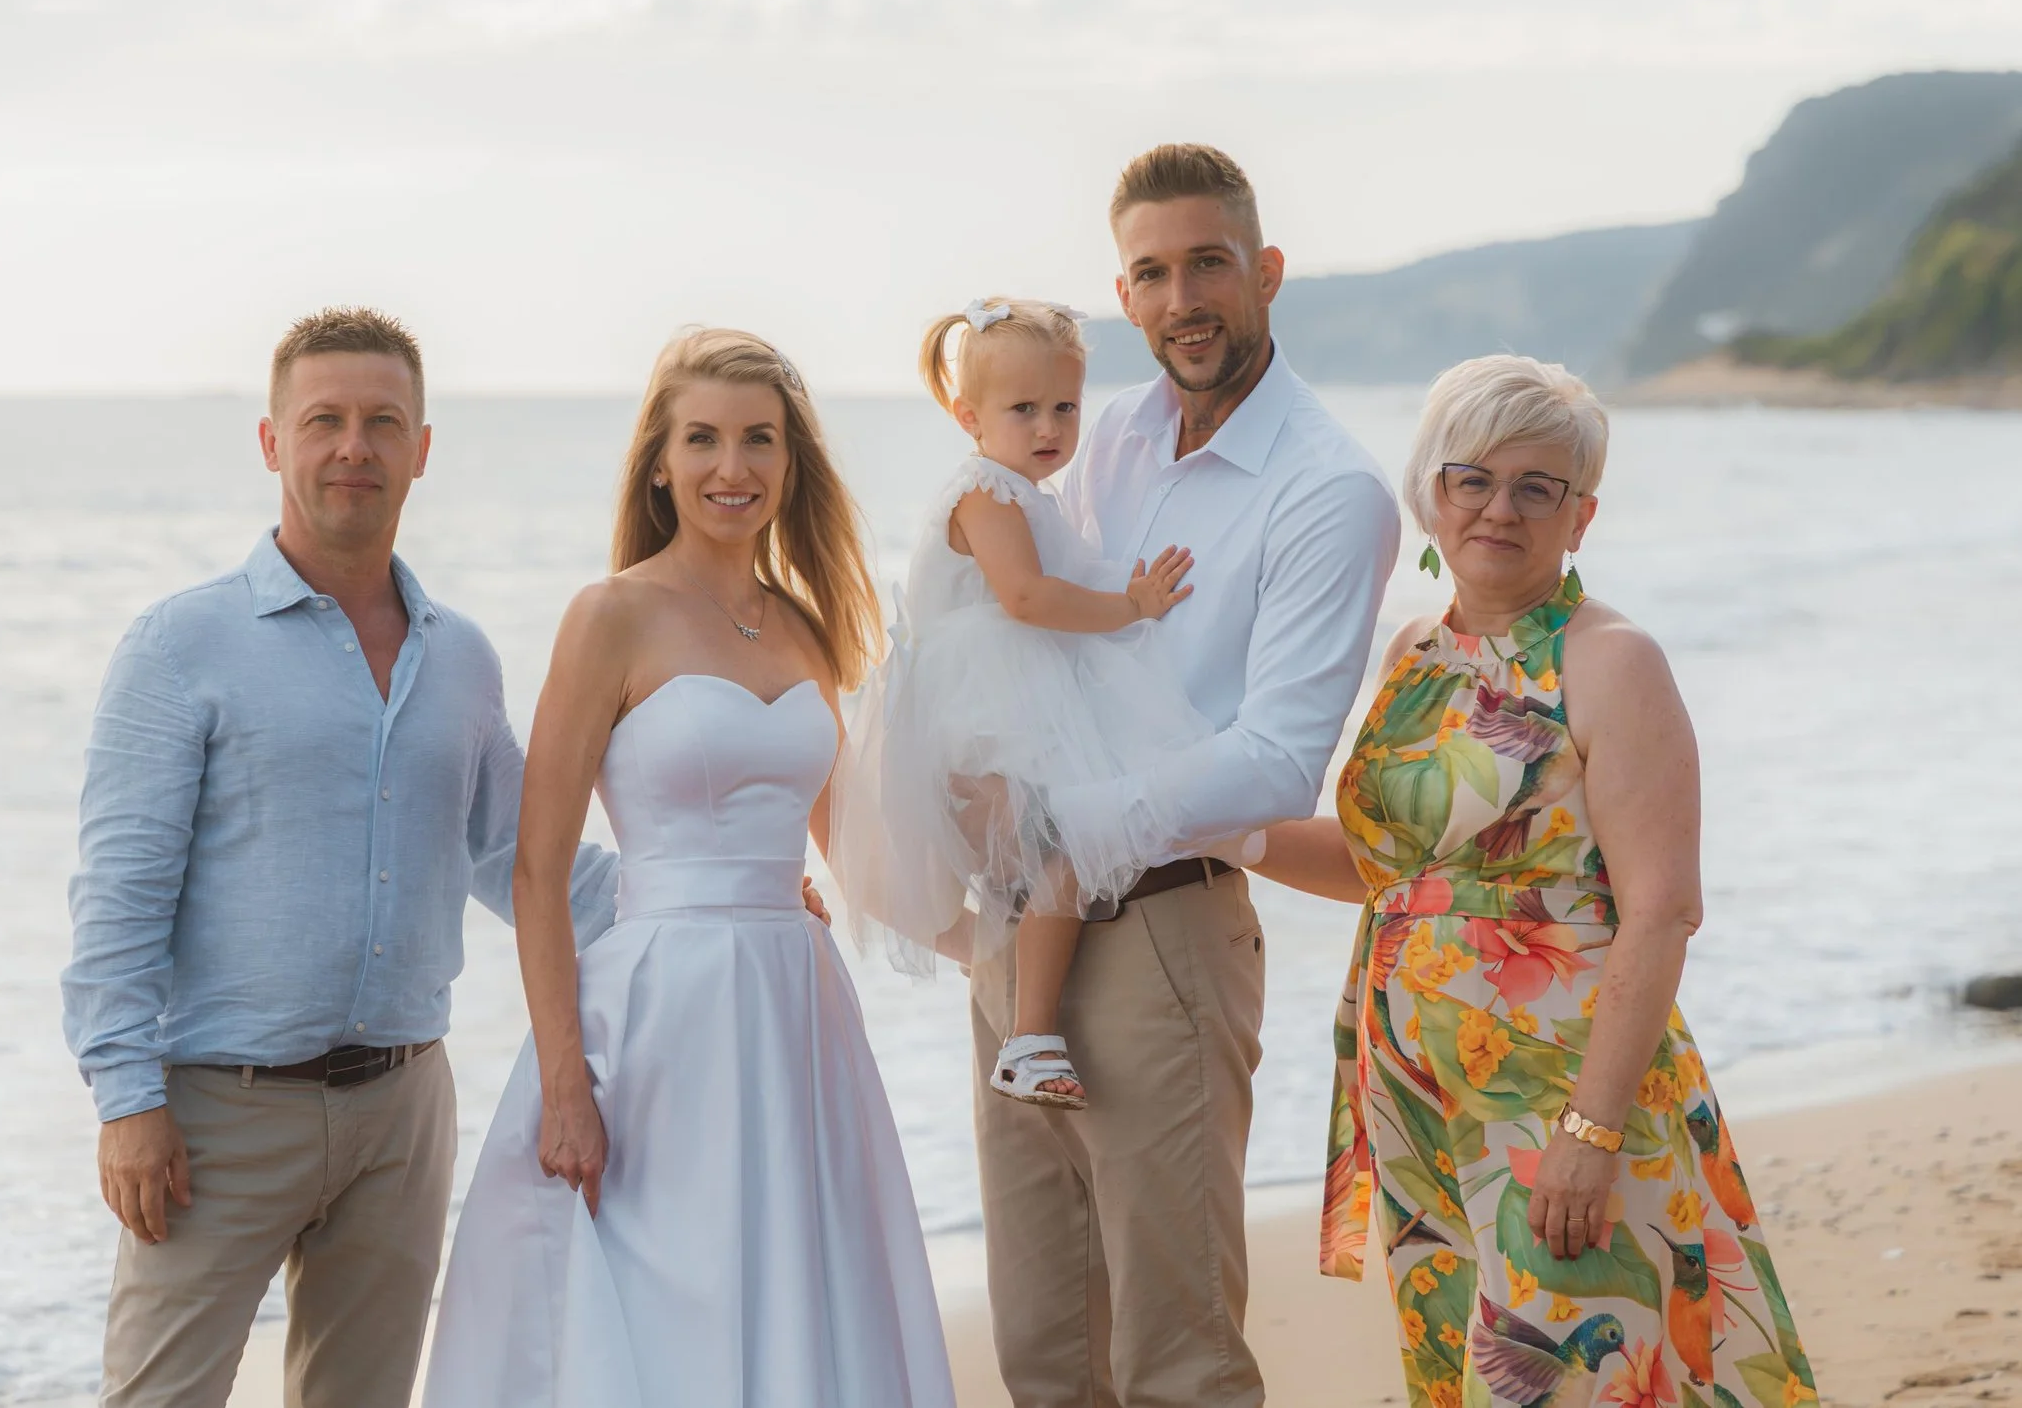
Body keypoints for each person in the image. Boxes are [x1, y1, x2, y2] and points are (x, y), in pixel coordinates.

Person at [62, 308, 632, 1408]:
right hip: (216, 1117)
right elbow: (120, 892)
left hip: (403, 1111)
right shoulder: (180, 644)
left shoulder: (458, 653)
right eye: (322, 419)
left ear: (423, 448)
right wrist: (125, 1098)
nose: (352, 447)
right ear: (272, 440)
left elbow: (518, 849)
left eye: (382, 422)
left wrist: (706, 901)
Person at [1252, 355, 1819, 1408]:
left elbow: (1663, 907)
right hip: (1416, 1095)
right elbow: (1383, 869)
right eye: (1471, 477)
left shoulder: (1611, 659)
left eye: (1535, 486)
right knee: (1472, 1376)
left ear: (1580, 515)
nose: (1496, 507)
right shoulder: (1412, 653)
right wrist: (1217, 828)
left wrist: (1589, 1132)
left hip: (1560, 1097)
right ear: (1431, 490)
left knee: (1580, 1373)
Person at [421, 328, 955, 1407]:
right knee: (668, 1311)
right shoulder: (608, 614)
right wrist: (565, 1083)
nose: (732, 466)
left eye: (759, 439)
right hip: (655, 1014)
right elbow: (535, 871)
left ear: (789, 462)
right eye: (702, 438)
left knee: (801, 1290)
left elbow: (863, 854)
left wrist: (1018, 944)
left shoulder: (805, 627)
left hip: (797, 1015)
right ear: (658, 463)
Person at [974, 144, 1402, 1408]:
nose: (1182, 298)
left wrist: (1067, 817)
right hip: (1025, 926)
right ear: (1123, 292)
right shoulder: (1102, 436)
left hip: (1166, 928)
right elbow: (1036, 641)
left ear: (1264, 270)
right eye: (1152, 272)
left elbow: (1276, 758)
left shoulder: (1328, 490)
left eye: (1207, 262)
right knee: (1044, 1350)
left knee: (1176, 1359)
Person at [831, 296, 1222, 1112]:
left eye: (1065, 407)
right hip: (977, 719)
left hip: (993, 710)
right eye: (1023, 409)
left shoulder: (1022, 491)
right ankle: (1029, 1036)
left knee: (1055, 860)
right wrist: (1134, 608)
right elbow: (1028, 599)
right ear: (969, 416)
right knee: (1062, 854)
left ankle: (1029, 1026)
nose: (1049, 426)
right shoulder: (988, 494)